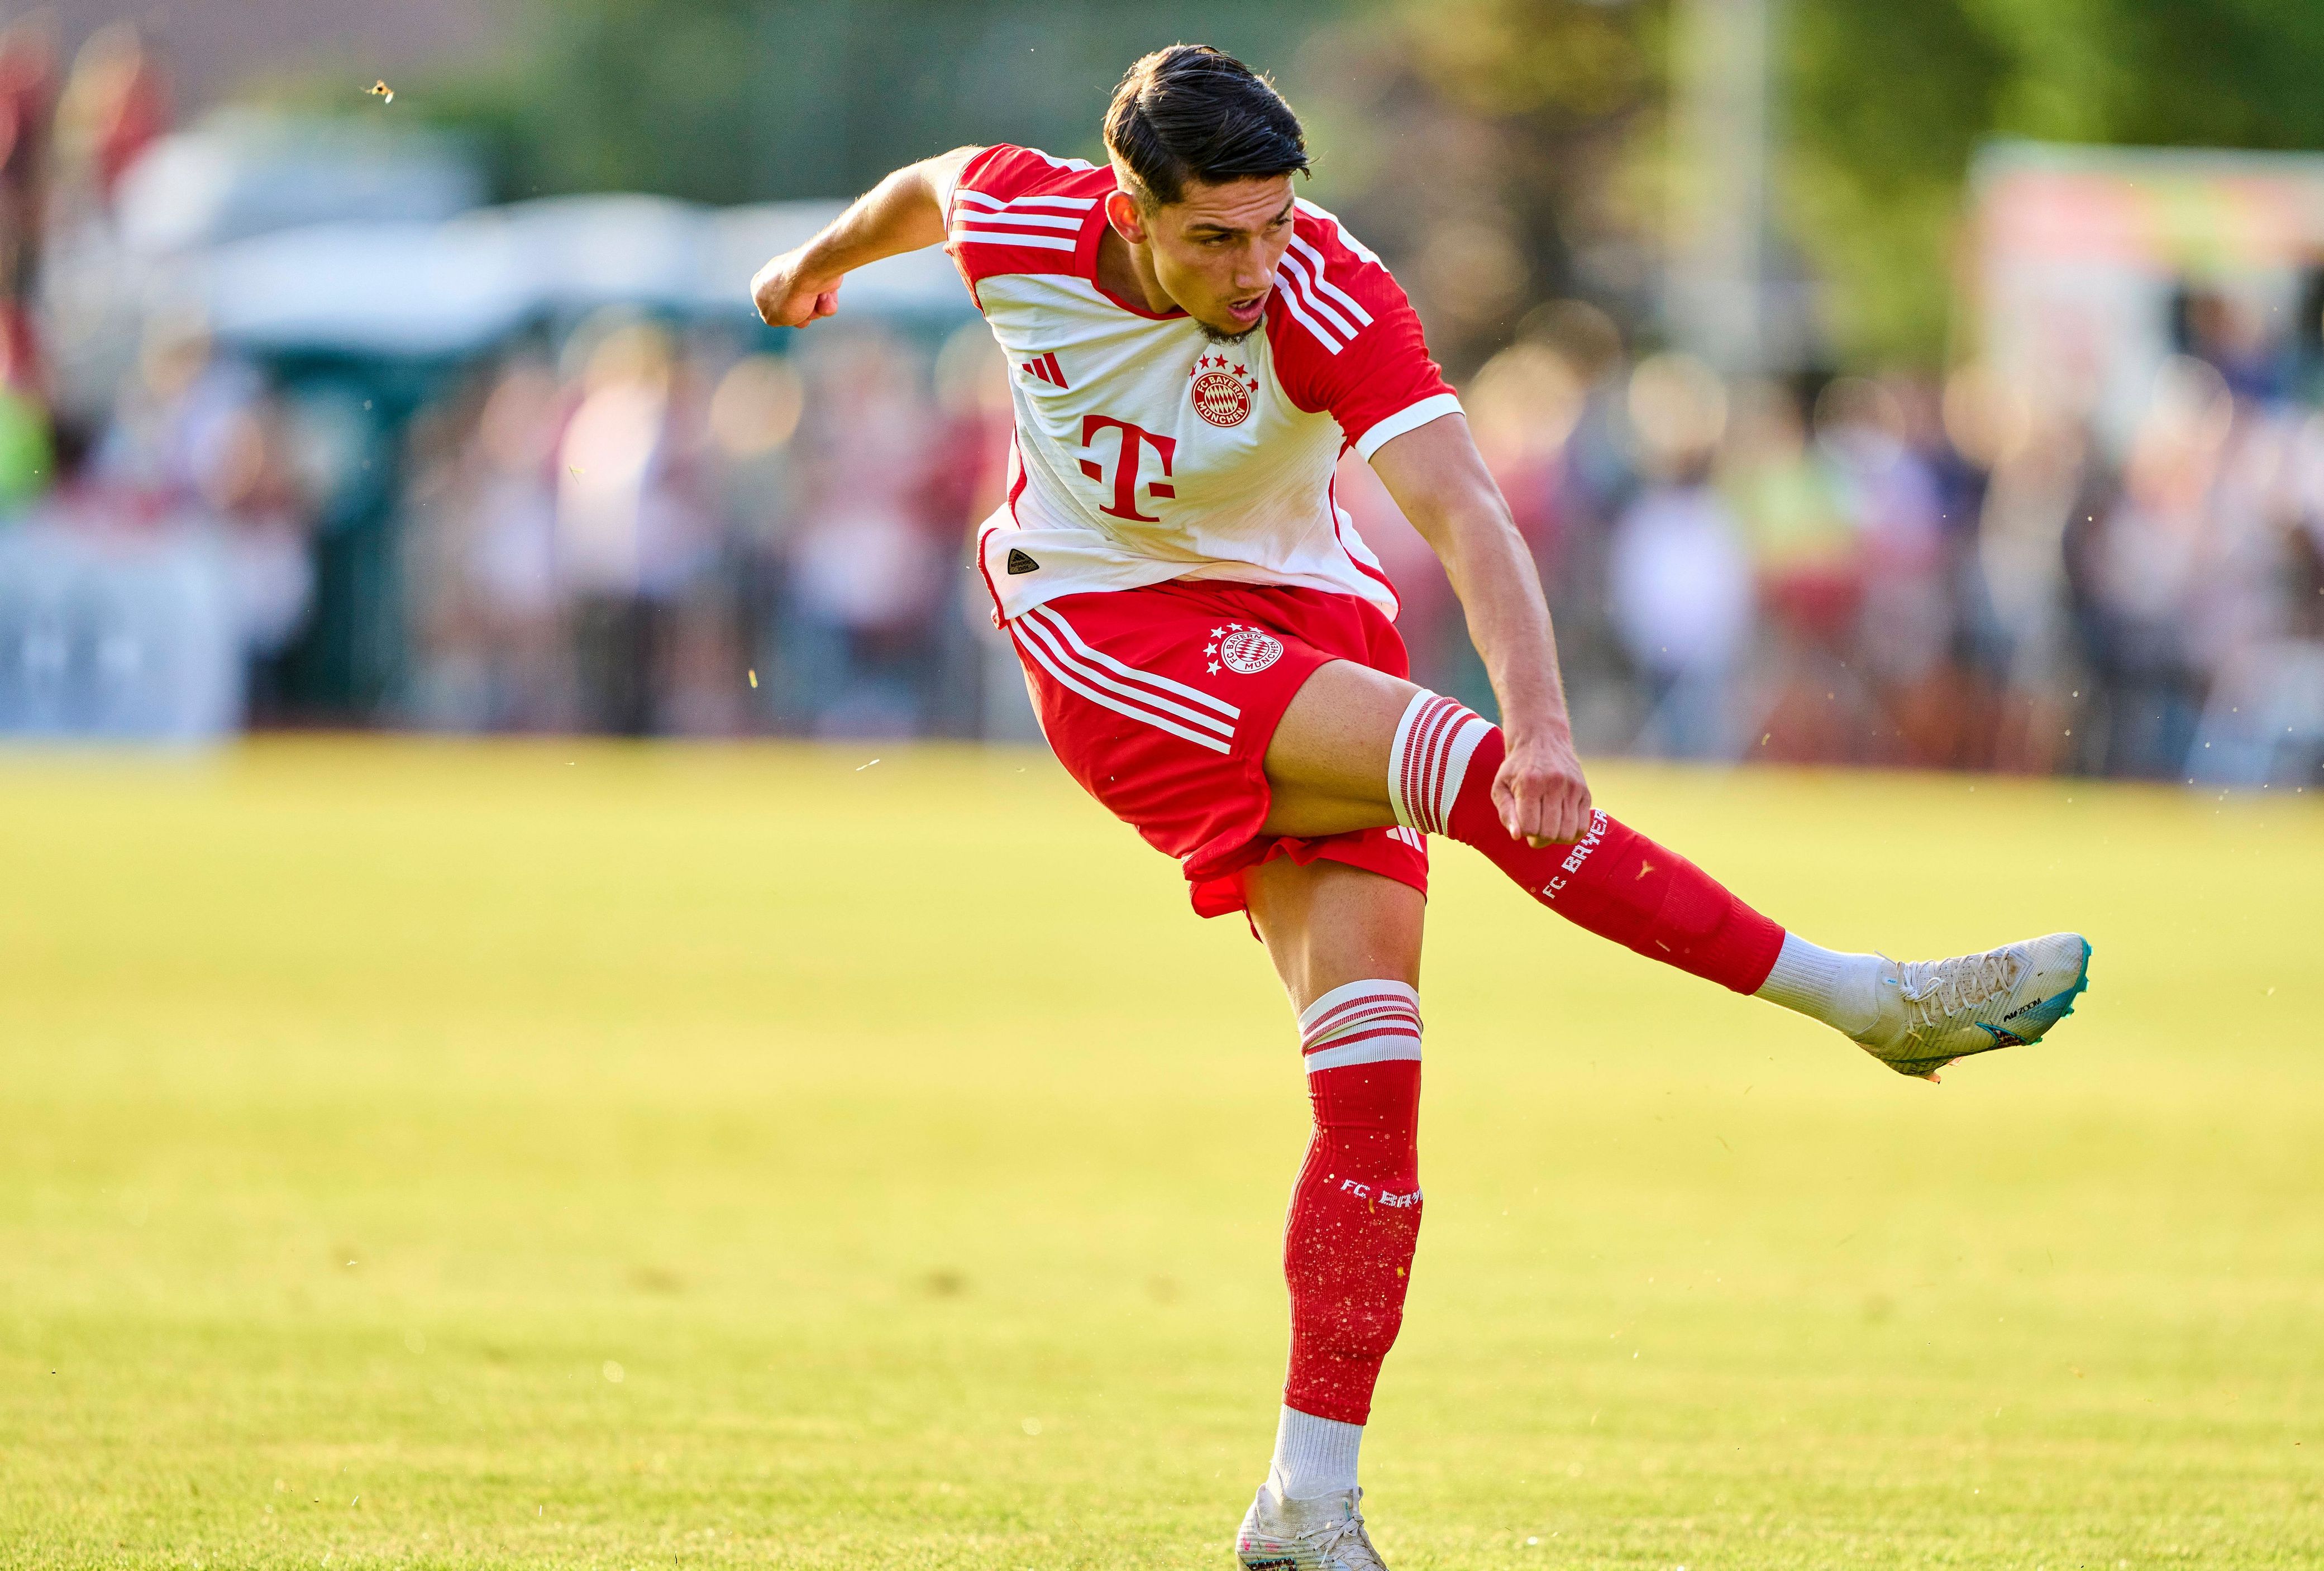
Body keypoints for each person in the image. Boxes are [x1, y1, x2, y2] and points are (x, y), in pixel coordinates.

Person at [752, 45, 2091, 1570]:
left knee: (1375, 1081)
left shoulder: (1324, 289)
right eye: (1216, 238)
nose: (1258, 266)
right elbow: (924, 194)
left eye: (1276, 224)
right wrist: (813, 264)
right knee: (1453, 765)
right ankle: (1868, 999)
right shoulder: (1021, 224)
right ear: (1127, 210)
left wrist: (1550, 725)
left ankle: (1306, 1504)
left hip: (1303, 616)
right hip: (1108, 628)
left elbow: (1463, 506)